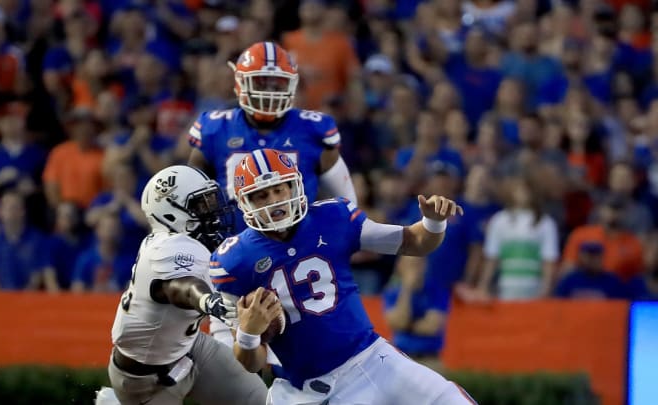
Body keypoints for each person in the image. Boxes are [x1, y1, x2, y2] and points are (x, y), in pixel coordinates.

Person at [211, 149, 475, 405]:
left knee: (449, 398)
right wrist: (248, 334)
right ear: (244, 202)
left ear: (294, 186)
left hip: (371, 359)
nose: (274, 201)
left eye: (279, 189)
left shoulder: (333, 217)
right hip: (306, 391)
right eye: (261, 195)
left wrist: (432, 222)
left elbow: (413, 242)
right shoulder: (235, 261)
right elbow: (251, 362)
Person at [103, 165, 268, 405]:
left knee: (259, 399)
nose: (212, 211)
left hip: (190, 348)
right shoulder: (166, 246)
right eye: (201, 205)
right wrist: (207, 300)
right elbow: (180, 288)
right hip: (145, 380)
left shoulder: (193, 243)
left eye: (211, 201)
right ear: (170, 213)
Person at [187, 41, 357, 221]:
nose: (269, 92)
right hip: (230, 242)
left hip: (297, 244)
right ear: (240, 83)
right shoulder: (215, 129)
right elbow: (190, 194)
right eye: (260, 83)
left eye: (277, 85)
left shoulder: (314, 130)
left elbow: (346, 202)